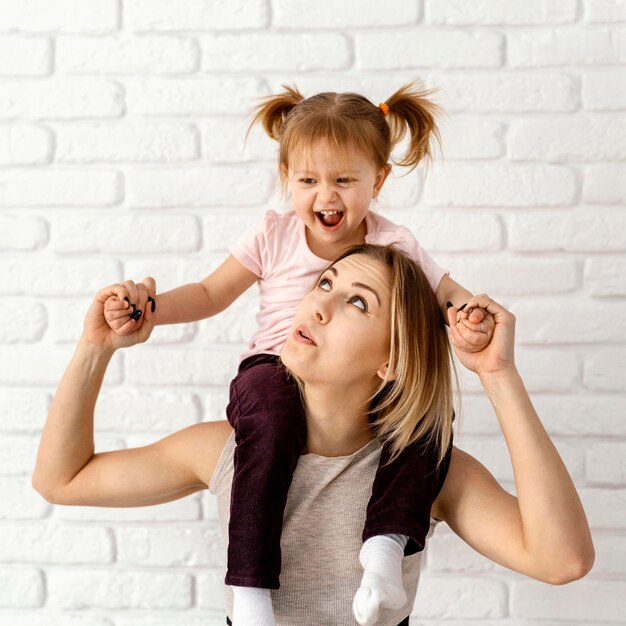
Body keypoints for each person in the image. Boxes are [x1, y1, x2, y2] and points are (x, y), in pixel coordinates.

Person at [33, 244, 594, 626]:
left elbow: (562, 560)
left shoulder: (432, 473)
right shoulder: (224, 449)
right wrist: (95, 348)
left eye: (356, 301)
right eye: (325, 282)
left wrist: (497, 374)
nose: (319, 304)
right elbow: (61, 480)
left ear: (392, 360)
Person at [99, 83, 495, 625]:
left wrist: (468, 311)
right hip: (272, 369)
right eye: (307, 180)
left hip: (355, 387)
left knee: (428, 417)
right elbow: (212, 293)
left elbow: (444, 290)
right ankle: (251, 588)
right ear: (288, 178)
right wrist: (153, 308)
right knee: (273, 417)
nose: (324, 196)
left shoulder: (392, 244)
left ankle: (384, 544)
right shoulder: (273, 234)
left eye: (343, 180)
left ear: (377, 180)